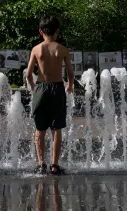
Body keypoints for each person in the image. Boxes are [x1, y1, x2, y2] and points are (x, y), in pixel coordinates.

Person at [26, 15, 74, 175]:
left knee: (39, 129)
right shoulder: (62, 50)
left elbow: (28, 74)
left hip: (41, 87)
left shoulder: (36, 49)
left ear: (40, 31)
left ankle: (41, 164)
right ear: (57, 31)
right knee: (56, 128)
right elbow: (70, 72)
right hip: (58, 88)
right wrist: (70, 86)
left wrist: (33, 87)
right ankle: (54, 165)